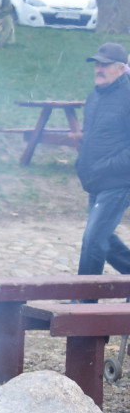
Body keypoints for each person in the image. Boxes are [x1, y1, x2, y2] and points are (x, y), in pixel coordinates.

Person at [76, 42, 130, 279]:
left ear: (121, 69)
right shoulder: (95, 95)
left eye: (105, 65)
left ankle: (81, 302)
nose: (99, 69)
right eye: (97, 64)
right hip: (96, 179)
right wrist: (82, 164)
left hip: (118, 181)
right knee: (102, 237)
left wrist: (108, 167)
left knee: (93, 239)